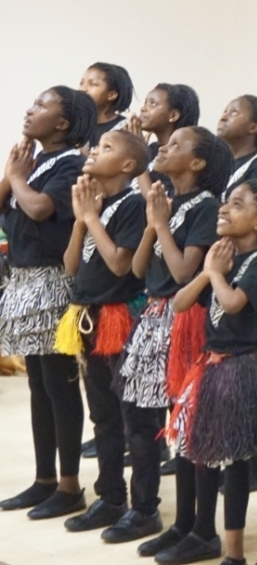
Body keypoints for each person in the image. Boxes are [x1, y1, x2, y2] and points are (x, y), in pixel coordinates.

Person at [107, 126, 228, 548]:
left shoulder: (207, 207)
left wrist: (160, 224)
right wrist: (152, 224)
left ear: (198, 163)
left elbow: (182, 273)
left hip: (186, 320)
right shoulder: (169, 202)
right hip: (154, 317)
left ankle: (200, 528)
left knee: (188, 426)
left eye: (177, 145)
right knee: (138, 417)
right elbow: (139, 269)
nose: (164, 146)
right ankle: (145, 509)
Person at [165, 179, 257, 565]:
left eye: (237, 204)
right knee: (232, 467)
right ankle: (233, 552)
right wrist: (207, 272)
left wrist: (216, 275)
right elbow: (180, 303)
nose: (224, 209)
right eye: (226, 201)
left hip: (247, 370)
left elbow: (234, 303)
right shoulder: (223, 259)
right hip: (216, 370)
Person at [0, 86, 95, 520]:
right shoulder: (32, 162)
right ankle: (43, 479)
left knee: (59, 385)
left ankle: (70, 484)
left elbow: (39, 210)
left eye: (41, 105)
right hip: (23, 282)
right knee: (38, 386)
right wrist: (11, 172)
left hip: (52, 284)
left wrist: (18, 178)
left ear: (62, 123)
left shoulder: (71, 164)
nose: (29, 109)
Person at [55, 130, 150, 534]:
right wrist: (81, 219)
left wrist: (91, 217)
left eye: (106, 148)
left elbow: (119, 265)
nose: (94, 151)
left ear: (128, 166)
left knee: (136, 419)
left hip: (122, 320)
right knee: (104, 416)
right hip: (88, 317)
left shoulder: (133, 204)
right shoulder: (98, 205)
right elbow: (71, 265)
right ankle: (110, 498)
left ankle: (145, 508)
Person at [127, 83, 201, 194]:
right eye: (145, 103)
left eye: (153, 104)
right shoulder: (151, 149)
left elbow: (155, 201)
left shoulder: (180, 157)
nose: (143, 109)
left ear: (173, 116)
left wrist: (139, 152)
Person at [216, 95, 257, 198]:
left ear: (253, 128)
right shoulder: (221, 162)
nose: (223, 117)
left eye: (234, 112)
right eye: (225, 111)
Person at [80, 62, 134, 148]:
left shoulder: (124, 128)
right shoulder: (78, 122)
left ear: (111, 95)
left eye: (92, 84)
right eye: (81, 83)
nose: (83, 89)